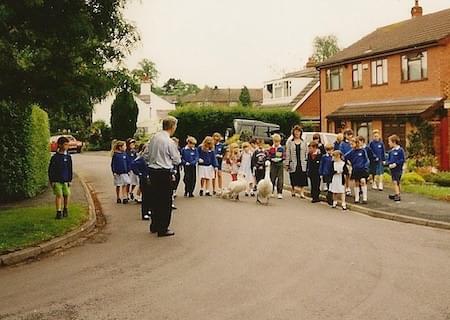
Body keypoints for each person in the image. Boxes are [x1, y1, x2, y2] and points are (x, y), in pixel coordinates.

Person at [142, 116, 181, 237]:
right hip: (164, 172)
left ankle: (154, 225)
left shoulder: (154, 138)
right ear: (172, 126)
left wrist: (151, 161)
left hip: (153, 171)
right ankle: (163, 228)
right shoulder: (169, 141)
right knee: (165, 201)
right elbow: (176, 159)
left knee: (155, 199)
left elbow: (145, 155)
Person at [48, 136, 73, 219]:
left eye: (67, 145)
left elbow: (70, 169)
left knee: (66, 195)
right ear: (60, 145)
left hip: (66, 180)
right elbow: (51, 169)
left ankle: (65, 209)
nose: (67, 146)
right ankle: (58, 212)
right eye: (65, 144)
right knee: (59, 195)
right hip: (57, 180)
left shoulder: (68, 157)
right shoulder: (55, 158)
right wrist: (52, 180)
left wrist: (70, 179)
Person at [285, 125, 308, 198]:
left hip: (302, 162)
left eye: (298, 132)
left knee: (303, 176)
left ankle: (302, 192)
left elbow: (306, 152)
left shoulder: (304, 142)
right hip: (293, 162)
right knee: (293, 176)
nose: (297, 133)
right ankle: (293, 190)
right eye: (296, 132)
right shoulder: (290, 142)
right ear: (293, 133)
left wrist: (306, 161)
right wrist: (287, 163)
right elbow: (288, 153)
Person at [345, 137, 370, 204]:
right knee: (356, 183)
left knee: (363, 181)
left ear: (356, 143)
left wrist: (365, 166)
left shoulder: (363, 151)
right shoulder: (351, 152)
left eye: (352, 144)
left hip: (362, 169)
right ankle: (357, 198)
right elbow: (344, 157)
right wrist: (348, 163)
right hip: (355, 169)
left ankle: (365, 198)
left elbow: (366, 160)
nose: (351, 146)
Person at [131, 145, 151, 220]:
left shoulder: (152, 159)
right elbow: (133, 164)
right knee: (145, 196)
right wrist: (139, 173)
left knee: (151, 196)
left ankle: (149, 210)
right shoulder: (141, 158)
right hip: (144, 179)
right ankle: (144, 213)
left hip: (151, 179)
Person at [387, 134, 405, 202]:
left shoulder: (400, 150)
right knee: (395, 182)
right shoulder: (391, 151)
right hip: (392, 169)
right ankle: (397, 193)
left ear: (394, 142)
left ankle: (397, 195)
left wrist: (396, 164)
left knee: (395, 182)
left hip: (398, 169)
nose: (388, 143)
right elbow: (389, 160)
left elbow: (402, 159)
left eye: (389, 142)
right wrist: (388, 164)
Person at [268, 134, 285, 199]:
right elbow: (269, 155)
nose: (276, 143)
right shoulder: (271, 148)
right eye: (275, 142)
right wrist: (271, 159)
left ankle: (279, 192)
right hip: (273, 164)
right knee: (272, 178)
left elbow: (284, 156)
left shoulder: (281, 148)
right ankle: (271, 191)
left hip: (280, 164)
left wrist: (281, 158)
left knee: (280, 179)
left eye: (277, 142)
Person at [339, 129, 354, 196]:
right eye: (349, 135)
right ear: (345, 135)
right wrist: (346, 160)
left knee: (351, 175)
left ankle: (349, 188)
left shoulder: (352, 142)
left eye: (351, 135)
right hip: (345, 162)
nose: (350, 136)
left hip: (353, 161)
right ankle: (346, 188)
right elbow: (341, 153)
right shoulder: (342, 144)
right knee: (346, 175)